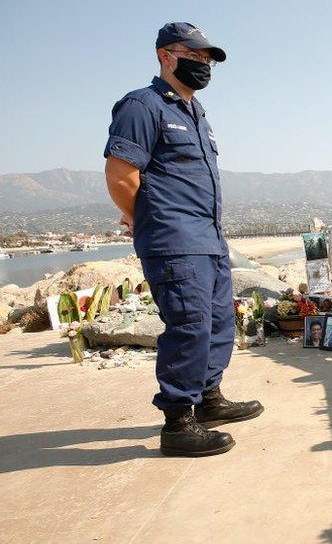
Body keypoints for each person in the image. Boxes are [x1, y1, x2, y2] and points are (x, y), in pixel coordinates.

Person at [103, 23, 262, 457]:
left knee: (217, 324)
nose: (204, 65)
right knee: (189, 327)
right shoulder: (142, 106)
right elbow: (121, 176)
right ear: (165, 56)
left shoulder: (197, 113)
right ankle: (177, 422)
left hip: (208, 238)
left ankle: (209, 401)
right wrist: (148, 221)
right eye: (195, 56)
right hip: (174, 240)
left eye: (208, 59)